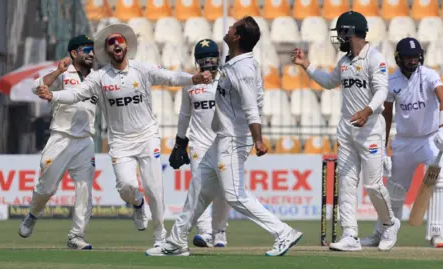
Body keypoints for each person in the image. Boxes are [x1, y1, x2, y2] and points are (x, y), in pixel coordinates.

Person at [35, 24, 213, 248]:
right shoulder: (99, 77)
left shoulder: (142, 69)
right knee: (127, 186)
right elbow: (76, 94)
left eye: (119, 40)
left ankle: (159, 236)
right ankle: (137, 204)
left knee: (154, 189)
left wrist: (192, 79)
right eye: (111, 42)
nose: (116, 44)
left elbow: (170, 77)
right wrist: (53, 95)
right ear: (107, 51)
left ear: (126, 46)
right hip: (120, 141)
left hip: (147, 136)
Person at [145, 16, 302, 257]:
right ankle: (176, 242)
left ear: (237, 36)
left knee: (234, 194)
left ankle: (283, 232)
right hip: (222, 137)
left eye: (232, 28)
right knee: (198, 189)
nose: (227, 30)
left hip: (234, 138)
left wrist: (258, 139)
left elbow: (251, 107)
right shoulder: (234, 62)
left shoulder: (244, 68)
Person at [292, 11, 400, 252]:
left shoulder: (375, 58)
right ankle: (350, 234)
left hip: (370, 129)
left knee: (372, 185)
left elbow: (383, 92)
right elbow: (329, 82)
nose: (339, 37)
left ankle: (389, 223)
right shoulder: (344, 62)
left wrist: (368, 110)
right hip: (346, 130)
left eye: (341, 32)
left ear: (352, 32)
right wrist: (306, 65)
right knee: (347, 183)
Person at [361, 37, 443, 248]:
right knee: (394, 191)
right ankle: (381, 234)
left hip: (431, 139)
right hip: (404, 142)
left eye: (415, 57)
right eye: (408, 57)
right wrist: (383, 150)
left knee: (442, 178)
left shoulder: (430, 75)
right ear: (399, 59)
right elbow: (386, 115)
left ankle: (438, 234)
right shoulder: (392, 82)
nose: (413, 61)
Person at [19, 35, 97, 250]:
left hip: (85, 141)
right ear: (74, 53)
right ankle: (33, 214)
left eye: (92, 49)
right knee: (46, 188)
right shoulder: (64, 73)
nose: (91, 53)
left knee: (84, 190)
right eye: (86, 49)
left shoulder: (98, 77)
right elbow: (37, 88)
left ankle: (76, 236)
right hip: (60, 137)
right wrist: (58, 71)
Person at [169, 38, 231, 248]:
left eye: (211, 59)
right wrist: (180, 142)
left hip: (221, 142)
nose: (207, 64)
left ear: (218, 59)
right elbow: (185, 114)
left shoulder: (225, 79)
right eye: (202, 60)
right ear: (197, 61)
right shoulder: (190, 82)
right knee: (198, 186)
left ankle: (219, 231)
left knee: (224, 188)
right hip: (198, 143)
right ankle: (204, 232)